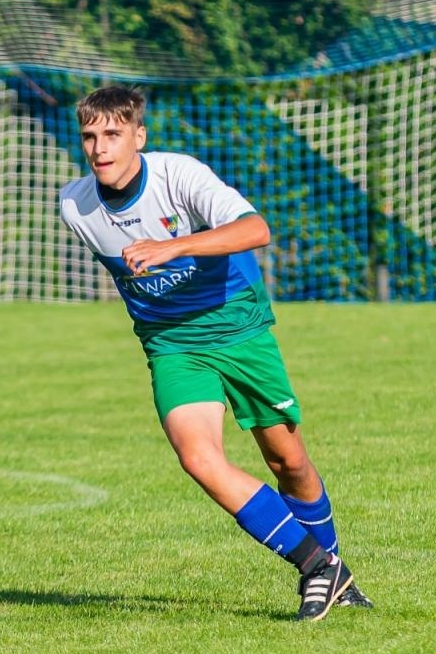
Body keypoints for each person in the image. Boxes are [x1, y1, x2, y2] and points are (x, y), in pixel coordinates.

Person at [58, 85, 371, 621]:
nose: (99, 148)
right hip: (172, 345)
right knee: (199, 458)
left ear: (139, 136)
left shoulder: (180, 175)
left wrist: (173, 246)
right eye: (90, 136)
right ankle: (318, 567)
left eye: (112, 134)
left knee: (287, 461)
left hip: (238, 327)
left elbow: (256, 229)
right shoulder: (74, 204)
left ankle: (335, 567)